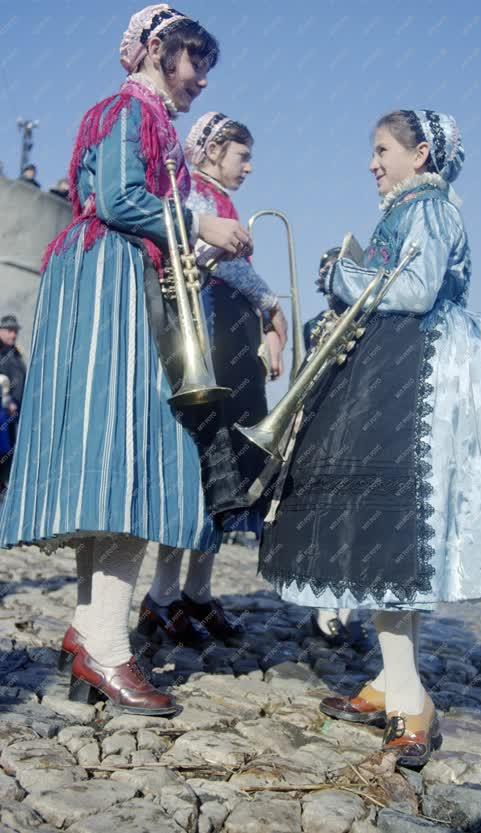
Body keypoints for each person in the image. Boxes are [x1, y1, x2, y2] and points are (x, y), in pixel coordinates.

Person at [258, 110, 481, 766]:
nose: (372, 162)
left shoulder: (432, 207)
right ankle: (390, 680)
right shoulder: (411, 206)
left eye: (383, 149)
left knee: (391, 535)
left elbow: (412, 290)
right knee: (385, 536)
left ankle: (412, 701)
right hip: (396, 368)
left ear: (421, 155)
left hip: (417, 379)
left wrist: (341, 276)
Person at [0, 4, 253, 716]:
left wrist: (199, 244)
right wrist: (199, 221)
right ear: (153, 52)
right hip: (113, 289)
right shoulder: (128, 110)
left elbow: (129, 202)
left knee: (118, 463)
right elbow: (115, 198)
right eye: (192, 60)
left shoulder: (149, 121)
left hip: (116, 283)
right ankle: (107, 647)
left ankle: (92, 633)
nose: (200, 77)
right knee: (130, 460)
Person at [139, 111, 287, 645]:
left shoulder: (217, 199)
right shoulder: (192, 192)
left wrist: (266, 319)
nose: (248, 167)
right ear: (212, 150)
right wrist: (271, 302)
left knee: (221, 474)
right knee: (204, 468)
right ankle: (163, 596)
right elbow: (221, 265)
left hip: (228, 341)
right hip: (209, 340)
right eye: (241, 155)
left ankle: (193, 595)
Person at [0, 314, 26, 489]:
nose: (13, 335)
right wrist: (7, 400)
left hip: (15, 414)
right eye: (9, 331)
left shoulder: (15, 352)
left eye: (15, 331)